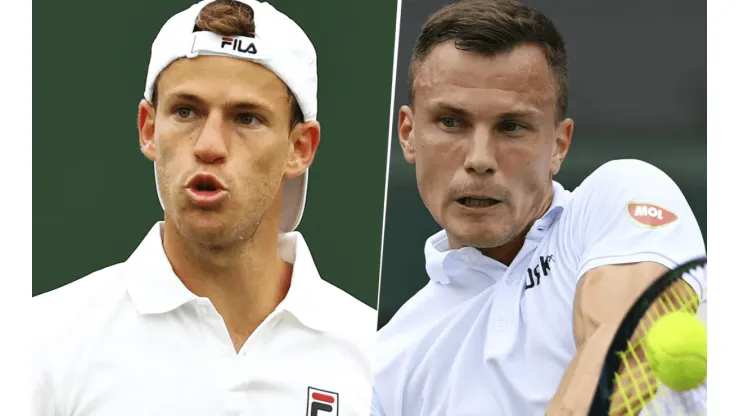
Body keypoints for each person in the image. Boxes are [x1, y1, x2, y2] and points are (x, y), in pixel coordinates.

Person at [31, 1, 375, 415]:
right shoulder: (41, 340)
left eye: (246, 118)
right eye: (186, 111)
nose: (209, 146)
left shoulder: (378, 355)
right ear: (149, 128)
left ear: (299, 148)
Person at [371, 0, 706, 415]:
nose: (479, 158)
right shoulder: (385, 366)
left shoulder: (620, 197)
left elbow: (618, 348)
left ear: (559, 146)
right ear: (408, 134)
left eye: (511, 127)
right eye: (451, 122)